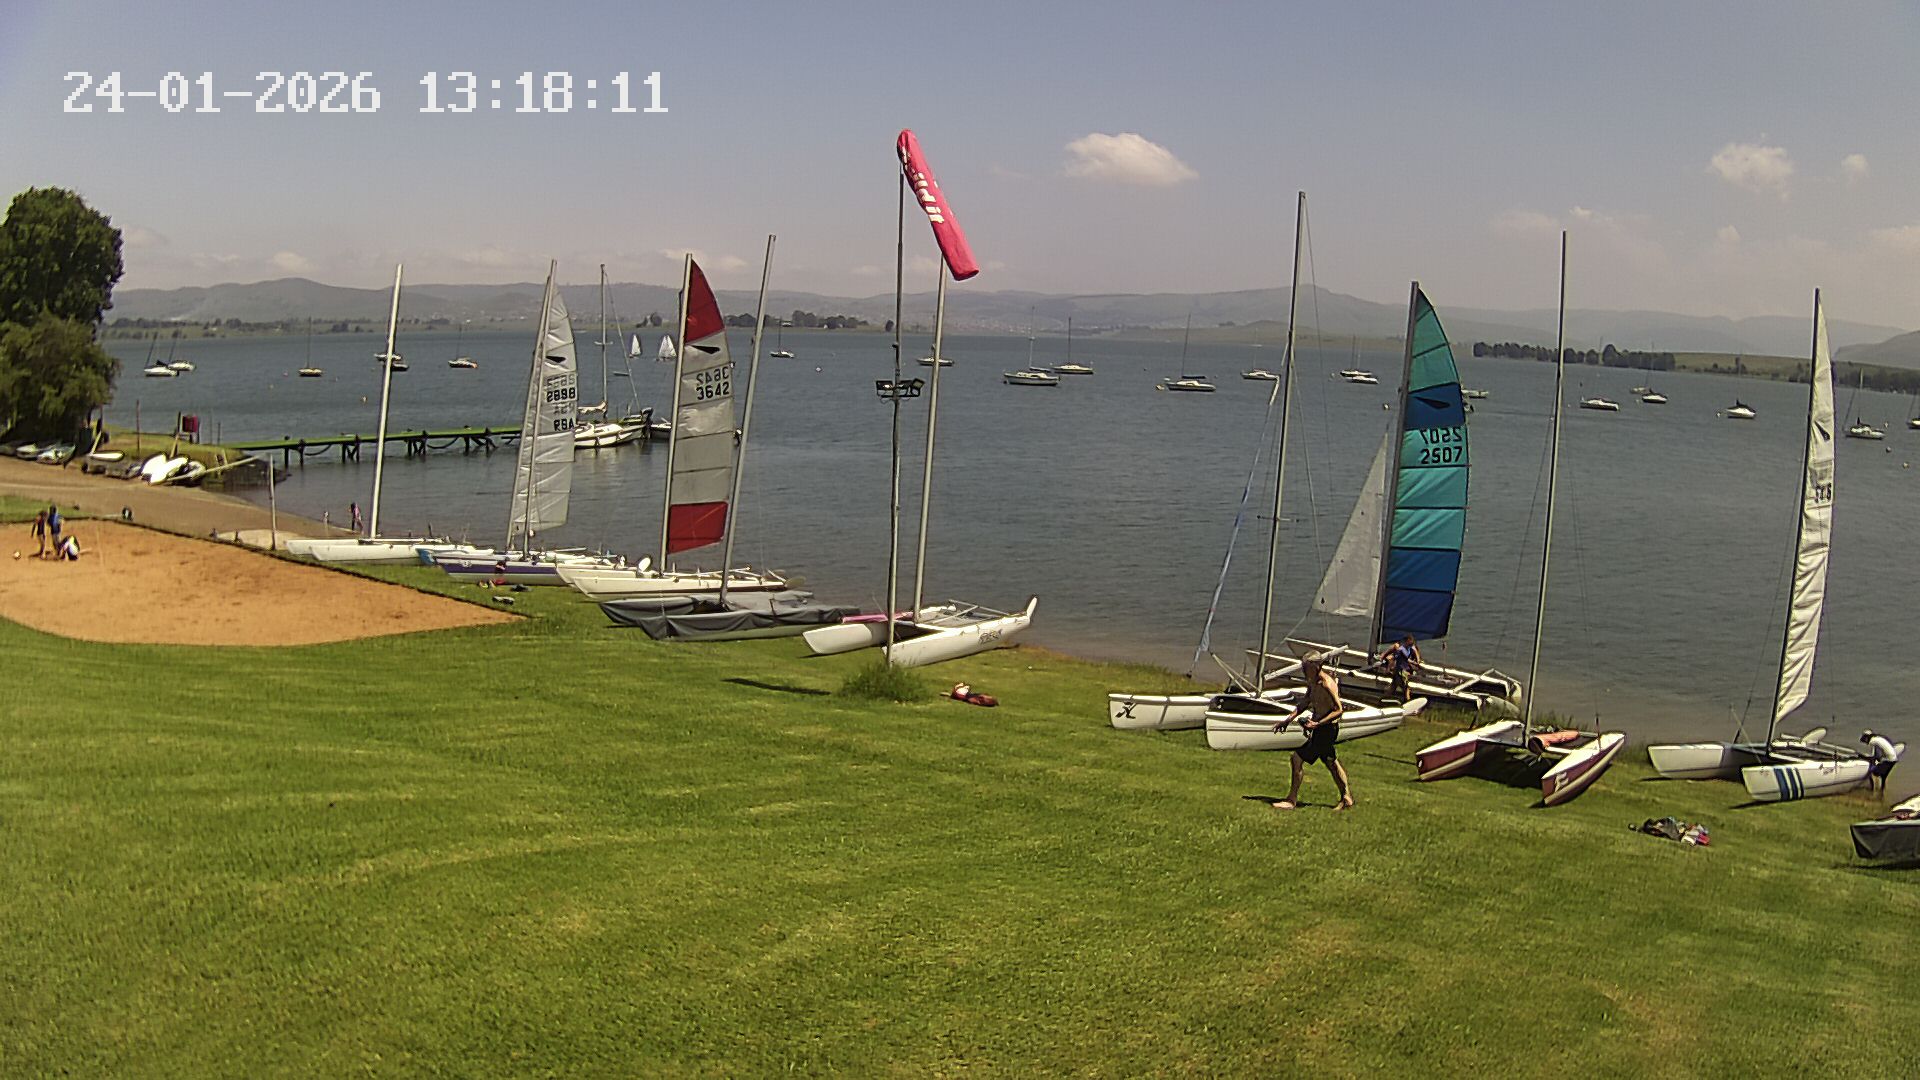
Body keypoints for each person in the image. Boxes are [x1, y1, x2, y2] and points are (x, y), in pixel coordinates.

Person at [1272, 655, 1354, 811]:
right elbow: (1304, 703)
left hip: (1327, 729)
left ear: (1316, 666)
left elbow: (1338, 710)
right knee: (1331, 763)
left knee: (1296, 759)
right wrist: (1287, 720)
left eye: (1306, 667)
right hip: (1320, 729)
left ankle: (1291, 800)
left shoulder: (1326, 684)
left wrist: (1318, 723)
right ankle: (1346, 797)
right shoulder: (1312, 682)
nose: (1303, 670)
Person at [1380, 634, 1422, 702]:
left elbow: (1417, 659)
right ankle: (1407, 702)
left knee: (1393, 686)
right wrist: (1386, 665)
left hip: (1401, 670)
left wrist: (1416, 663)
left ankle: (1384, 699)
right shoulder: (1399, 648)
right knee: (1405, 688)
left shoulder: (1411, 648)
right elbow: (1387, 656)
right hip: (1400, 671)